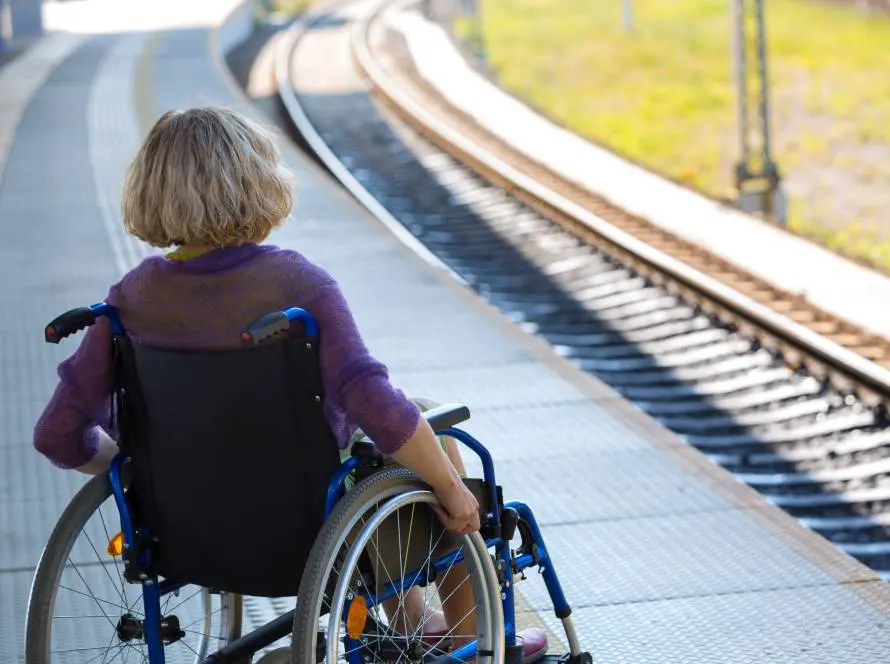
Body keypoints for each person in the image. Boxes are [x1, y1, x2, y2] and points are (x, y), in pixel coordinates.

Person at [33, 107, 547, 662]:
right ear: (258, 186)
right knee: (431, 427)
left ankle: (413, 618)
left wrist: (129, 463)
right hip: (308, 539)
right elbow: (374, 403)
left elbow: (57, 436)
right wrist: (449, 489)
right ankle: (468, 631)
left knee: (394, 442)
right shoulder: (299, 288)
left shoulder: (127, 302)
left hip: (185, 536)